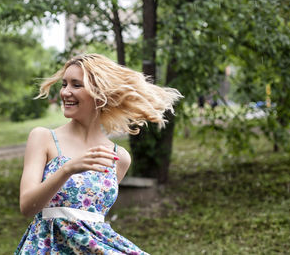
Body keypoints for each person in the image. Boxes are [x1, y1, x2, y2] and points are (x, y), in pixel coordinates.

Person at [15, 54, 182, 254]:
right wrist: (68, 169)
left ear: (100, 93)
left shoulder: (118, 157)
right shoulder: (43, 138)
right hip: (48, 246)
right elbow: (27, 206)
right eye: (64, 84)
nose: (66, 92)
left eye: (76, 85)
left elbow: (92, 219)